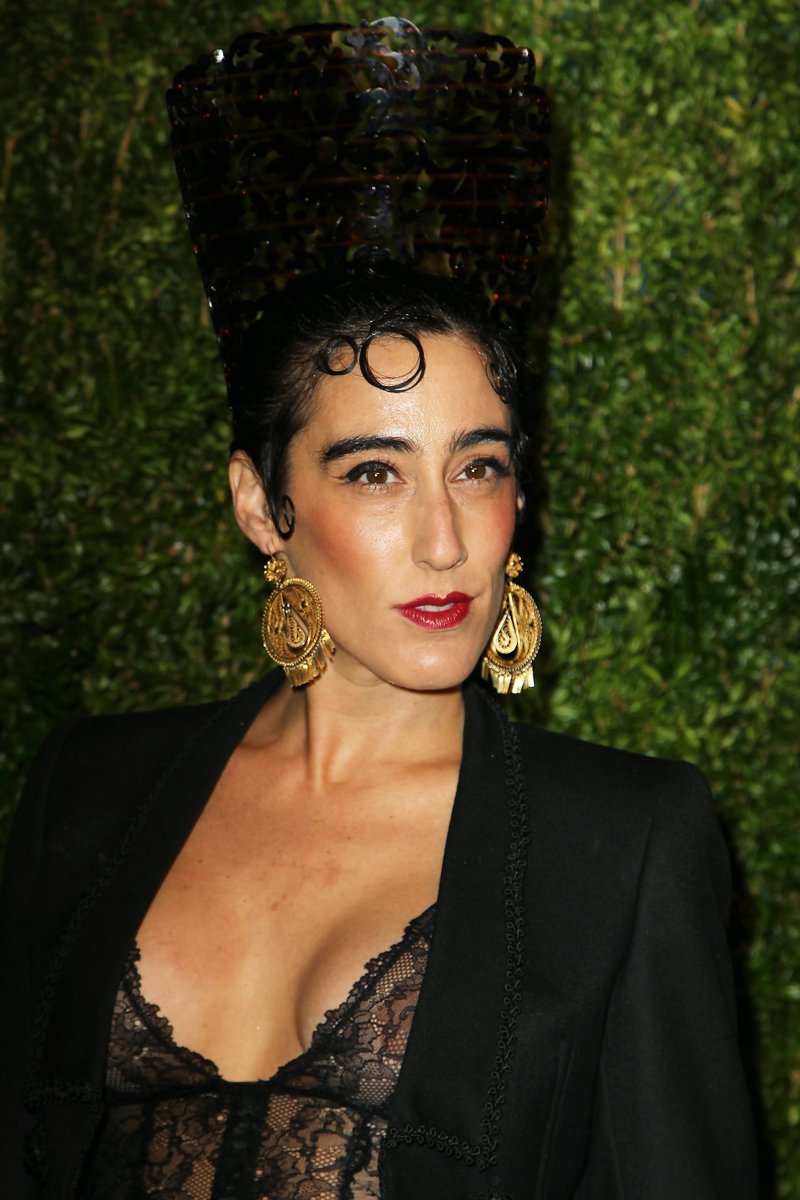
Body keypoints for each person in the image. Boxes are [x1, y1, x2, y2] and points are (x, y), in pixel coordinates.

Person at [0, 18, 757, 1200]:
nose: (444, 539)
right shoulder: (83, 793)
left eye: (477, 465)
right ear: (261, 504)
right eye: (373, 473)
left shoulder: (620, 845)